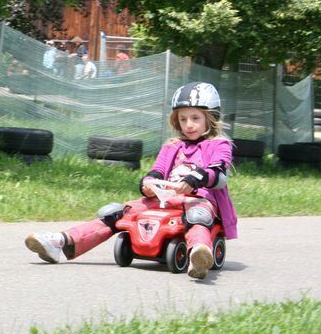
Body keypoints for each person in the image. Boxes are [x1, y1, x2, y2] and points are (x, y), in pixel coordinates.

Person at [25, 82, 237, 280]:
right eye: (183, 119)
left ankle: (199, 254)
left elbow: (218, 174)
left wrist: (194, 179)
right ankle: (60, 242)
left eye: (195, 118)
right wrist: (149, 184)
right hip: (166, 199)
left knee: (196, 215)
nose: (188, 125)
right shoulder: (172, 145)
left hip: (199, 200)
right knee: (116, 213)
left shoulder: (219, 145)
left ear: (210, 118)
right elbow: (157, 171)